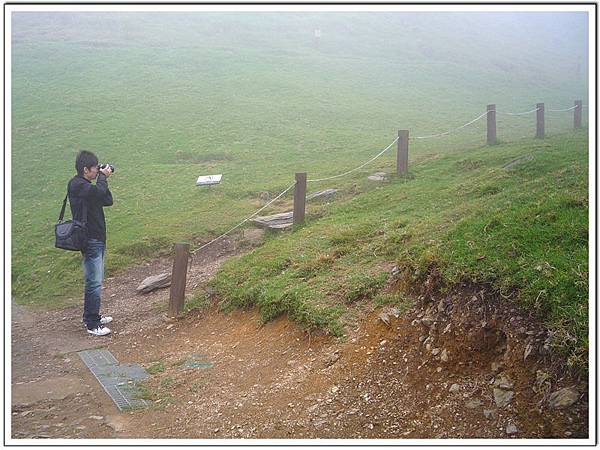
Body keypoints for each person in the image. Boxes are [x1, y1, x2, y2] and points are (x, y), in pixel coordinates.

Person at [69, 150, 114, 336]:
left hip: (97, 237)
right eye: (95, 168)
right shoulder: (78, 185)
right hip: (89, 239)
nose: (98, 170)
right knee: (94, 281)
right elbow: (99, 191)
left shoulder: (88, 187)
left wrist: (103, 179)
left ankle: (92, 315)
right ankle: (92, 323)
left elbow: (108, 200)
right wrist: (103, 177)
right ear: (85, 169)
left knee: (96, 280)